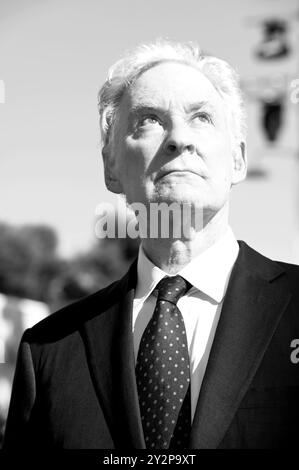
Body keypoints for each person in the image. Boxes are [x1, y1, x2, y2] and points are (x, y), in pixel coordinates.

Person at [3, 40, 299, 449]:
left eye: (202, 117)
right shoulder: (48, 350)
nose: (179, 138)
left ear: (237, 160)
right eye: (149, 121)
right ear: (111, 166)